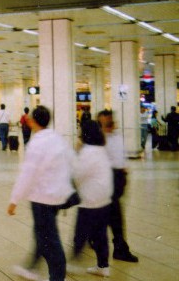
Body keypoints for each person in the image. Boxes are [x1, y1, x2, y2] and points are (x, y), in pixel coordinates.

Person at [8, 106, 74, 281]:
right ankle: (31, 267)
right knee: (42, 232)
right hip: (57, 196)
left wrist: (14, 200)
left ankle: (58, 277)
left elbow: (28, 175)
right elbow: (71, 162)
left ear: (33, 121)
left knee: (49, 239)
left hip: (42, 198)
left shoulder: (37, 143)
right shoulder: (57, 138)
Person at [70, 119, 113, 277]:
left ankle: (73, 262)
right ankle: (103, 266)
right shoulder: (101, 148)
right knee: (100, 234)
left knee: (80, 233)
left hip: (91, 199)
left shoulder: (88, 151)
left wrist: (77, 152)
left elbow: (77, 174)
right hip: (104, 198)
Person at [99, 109, 138, 262]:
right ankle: (120, 248)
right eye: (106, 123)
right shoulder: (98, 140)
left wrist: (124, 171)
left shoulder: (117, 137)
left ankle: (89, 240)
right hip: (106, 180)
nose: (109, 125)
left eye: (110, 122)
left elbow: (121, 157)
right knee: (115, 215)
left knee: (105, 214)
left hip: (118, 178)